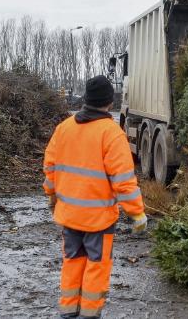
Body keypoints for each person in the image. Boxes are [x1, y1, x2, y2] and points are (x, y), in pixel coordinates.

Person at [43, 75, 147, 318]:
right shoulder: (111, 133)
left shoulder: (64, 128)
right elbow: (123, 180)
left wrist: (51, 195)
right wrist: (136, 213)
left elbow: (50, 168)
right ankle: (89, 314)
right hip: (98, 220)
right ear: (109, 103)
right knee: (96, 267)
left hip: (69, 216)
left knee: (72, 261)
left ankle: (68, 312)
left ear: (86, 100)